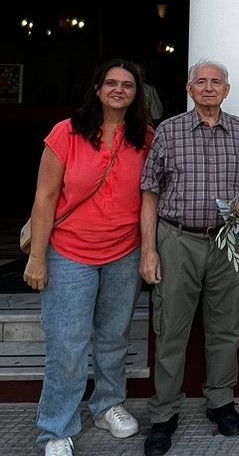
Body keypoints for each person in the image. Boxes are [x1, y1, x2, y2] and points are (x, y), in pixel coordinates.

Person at [139, 60, 239, 456]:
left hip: (229, 239)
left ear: (226, 90)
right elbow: (149, 191)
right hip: (178, 239)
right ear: (189, 89)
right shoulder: (169, 131)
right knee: (171, 328)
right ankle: (164, 413)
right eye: (201, 82)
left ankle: (220, 401)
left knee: (226, 324)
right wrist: (149, 250)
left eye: (216, 82)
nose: (209, 88)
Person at [23, 59, 152, 456]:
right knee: (67, 344)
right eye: (111, 82)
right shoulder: (67, 132)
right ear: (97, 88)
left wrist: (148, 249)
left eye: (127, 85)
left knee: (114, 337)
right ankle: (56, 428)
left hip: (124, 252)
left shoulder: (145, 137)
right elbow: (45, 197)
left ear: (137, 94)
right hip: (69, 252)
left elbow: (151, 195)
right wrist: (37, 257)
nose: (118, 90)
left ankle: (107, 405)